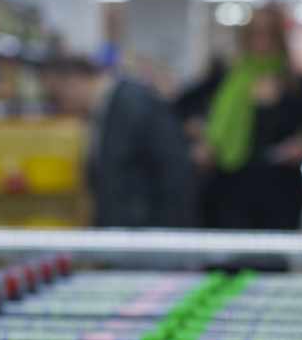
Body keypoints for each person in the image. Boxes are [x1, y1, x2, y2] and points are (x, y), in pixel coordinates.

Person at [199, 4, 302, 231]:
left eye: (268, 34)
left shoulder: (296, 86)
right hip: (230, 189)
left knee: (267, 263)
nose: (261, 42)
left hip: (279, 195)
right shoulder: (228, 80)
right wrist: (203, 137)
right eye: (255, 34)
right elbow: (187, 109)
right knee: (231, 261)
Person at [45, 55, 195, 228]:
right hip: (127, 237)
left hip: (141, 240)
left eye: (56, 97)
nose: (58, 107)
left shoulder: (133, 105)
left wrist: (161, 241)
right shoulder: (104, 111)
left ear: (73, 82)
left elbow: (175, 175)